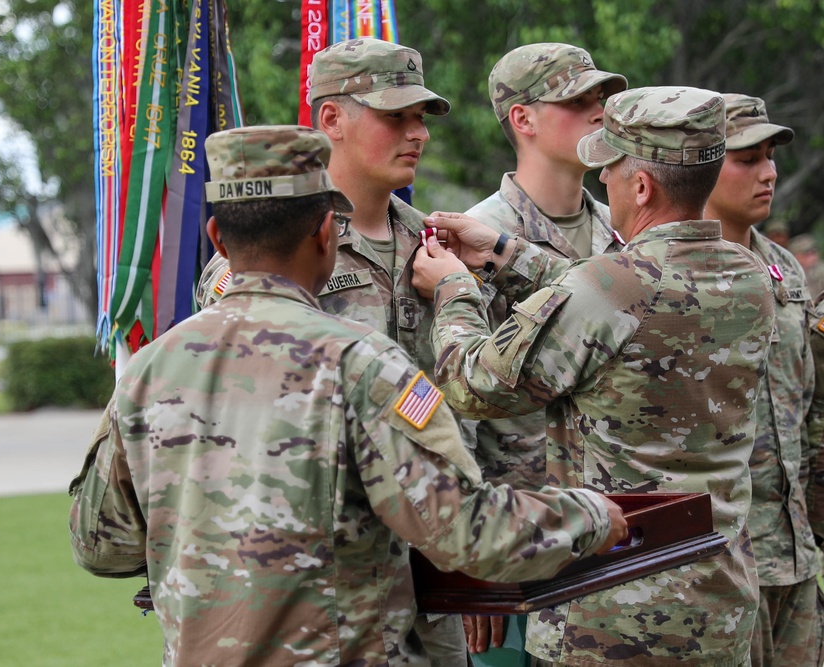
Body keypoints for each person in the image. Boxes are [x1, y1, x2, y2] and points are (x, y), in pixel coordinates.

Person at [68, 125, 627, 666]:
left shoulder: (146, 373)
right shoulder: (363, 364)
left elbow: (100, 545)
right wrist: (594, 516)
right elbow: (468, 534)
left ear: (218, 238)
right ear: (325, 233)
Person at [412, 87, 775, 665]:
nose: (600, 181)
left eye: (608, 168)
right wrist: (506, 252)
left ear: (641, 186)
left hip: (612, 611)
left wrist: (454, 289)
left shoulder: (613, 287)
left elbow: (471, 384)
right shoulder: (751, 274)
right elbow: (618, 294)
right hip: (717, 599)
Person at [195, 37, 475, 663]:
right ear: (331, 121)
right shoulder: (269, 256)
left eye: (421, 117)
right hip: (327, 587)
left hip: (437, 570)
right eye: (394, 115)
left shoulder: (436, 247)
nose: (417, 133)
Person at [461, 43, 627, 663]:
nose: (599, 111)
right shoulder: (473, 236)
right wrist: (477, 553)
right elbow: (454, 403)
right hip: (521, 537)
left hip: (616, 532)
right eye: (576, 100)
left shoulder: (625, 231)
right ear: (523, 119)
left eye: (602, 97)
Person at [704, 93, 824, 667]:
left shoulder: (784, 269)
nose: (769, 171)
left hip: (793, 555)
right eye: (746, 158)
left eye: (770, 155)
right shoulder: (667, 274)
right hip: (719, 561)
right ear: (699, 163)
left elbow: (805, 411)